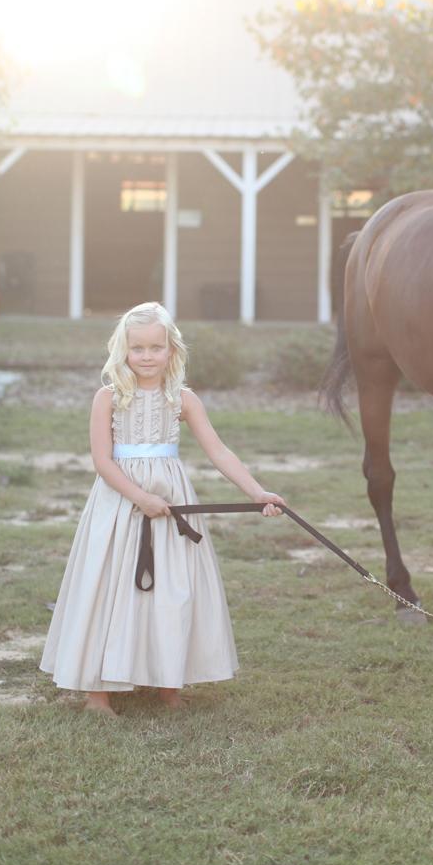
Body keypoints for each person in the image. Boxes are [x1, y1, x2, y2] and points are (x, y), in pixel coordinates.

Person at [40, 301, 285, 716]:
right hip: (119, 505)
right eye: (138, 348)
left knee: (172, 591)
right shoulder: (109, 397)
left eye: (156, 347)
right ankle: (97, 693)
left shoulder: (182, 399)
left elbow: (218, 451)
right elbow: (102, 461)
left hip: (172, 506)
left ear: (172, 349)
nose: (147, 356)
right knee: (108, 591)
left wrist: (257, 491)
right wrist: (139, 497)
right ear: (124, 350)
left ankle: (168, 682)